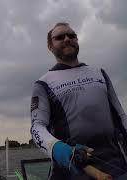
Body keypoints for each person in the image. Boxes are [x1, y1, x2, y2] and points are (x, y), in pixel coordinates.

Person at [30, 22, 127, 179]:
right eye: (60, 37)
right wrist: (63, 152)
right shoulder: (43, 83)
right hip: (71, 168)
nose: (67, 39)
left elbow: (121, 115)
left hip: (116, 167)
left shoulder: (100, 73)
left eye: (72, 35)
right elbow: (37, 127)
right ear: (50, 46)